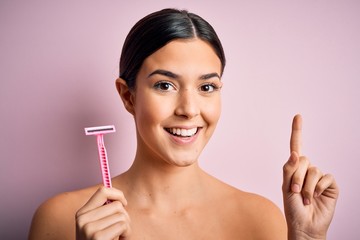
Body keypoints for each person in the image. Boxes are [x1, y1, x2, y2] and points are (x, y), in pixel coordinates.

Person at [29, 8, 339, 240]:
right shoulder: (60, 219)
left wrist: (307, 239)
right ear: (128, 96)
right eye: (165, 85)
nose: (190, 110)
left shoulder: (263, 219)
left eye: (206, 87)